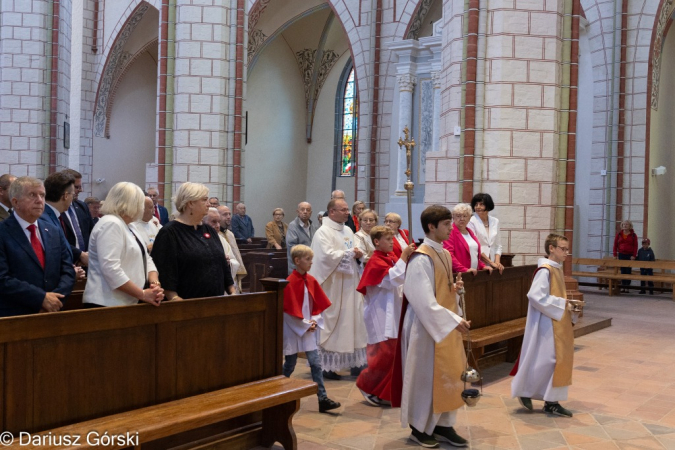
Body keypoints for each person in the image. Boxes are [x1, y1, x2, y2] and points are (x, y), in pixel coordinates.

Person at [391, 205, 470, 448]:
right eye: (446, 224)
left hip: (443, 327)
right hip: (425, 329)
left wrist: (454, 292)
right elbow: (421, 299)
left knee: (448, 375)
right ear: (431, 227)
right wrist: (454, 320)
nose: (451, 228)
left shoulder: (444, 254)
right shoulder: (421, 258)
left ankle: (444, 424)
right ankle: (420, 427)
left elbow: (441, 290)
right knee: (425, 378)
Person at [511, 233, 578, 418]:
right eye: (563, 249)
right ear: (551, 248)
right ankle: (529, 392)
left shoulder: (555, 269)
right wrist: (561, 304)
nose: (566, 252)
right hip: (546, 324)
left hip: (555, 321)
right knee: (547, 362)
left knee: (553, 363)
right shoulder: (545, 270)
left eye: (567, 249)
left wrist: (568, 305)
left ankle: (551, 402)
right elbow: (534, 296)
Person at [0, 177, 75, 317]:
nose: (40, 200)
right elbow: (2, 278)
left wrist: (55, 300)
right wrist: (40, 299)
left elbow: (67, 270)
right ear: (15, 202)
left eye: (42, 195)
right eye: (32, 195)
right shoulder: (3, 232)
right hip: (16, 314)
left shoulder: (53, 230)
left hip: (54, 311)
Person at [309, 198, 367, 379]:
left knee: (352, 322)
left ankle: (353, 363)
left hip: (350, 283)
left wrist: (358, 254)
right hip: (333, 285)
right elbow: (325, 257)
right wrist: (350, 254)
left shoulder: (348, 230)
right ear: (332, 212)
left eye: (347, 209)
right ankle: (327, 367)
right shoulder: (322, 232)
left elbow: (356, 250)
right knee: (333, 323)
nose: (347, 212)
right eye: (343, 209)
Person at [356, 226, 413, 407]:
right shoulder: (375, 261)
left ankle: (383, 391)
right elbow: (392, 279)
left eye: (392, 239)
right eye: (388, 240)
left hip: (392, 311)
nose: (392, 242)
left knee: (392, 354)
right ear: (376, 242)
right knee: (382, 354)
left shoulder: (389, 258)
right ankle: (366, 385)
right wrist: (404, 257)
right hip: (379, 314)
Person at [83, 182, 164, 308]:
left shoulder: (130, 226)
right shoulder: (111, 224)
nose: (142, 207)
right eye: (139, 202)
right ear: (130, 203)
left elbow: (146, 258)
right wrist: (142, 294)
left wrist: (154, 283)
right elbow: (111, 268)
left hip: (126, 300)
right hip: (107, 302)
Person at [282, 244, 341, 413]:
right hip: (294, 330)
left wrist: (314, 321)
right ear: (297, 261)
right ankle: (274, 391)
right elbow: (288, 312)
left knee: (316, 363)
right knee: (290, 365)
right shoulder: (289, 282)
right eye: (308, 259)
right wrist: (306, 325)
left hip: (307, 328)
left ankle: (322, 398)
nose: (311, 263)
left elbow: (316, 306)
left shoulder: (311, 280)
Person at [152, 182, 235, 300]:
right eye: (204, 200)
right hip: (186, 305)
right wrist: (175, 299)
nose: (208, 204)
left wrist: (232, 292)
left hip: (216, 302)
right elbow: (165, 274)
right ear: (190, 203)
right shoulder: (170, 232)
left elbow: (222, 264)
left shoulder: (209, 231)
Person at [41, 172, 85, 281]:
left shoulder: (52, 216)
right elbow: (50, 258)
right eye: (72, 194)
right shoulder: (44, 220)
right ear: (65, 196)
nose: (72, 199)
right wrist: (69, 273)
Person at [444, 203, 491, 275]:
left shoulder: (470, 231)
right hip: (459, 274)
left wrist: (482, 266)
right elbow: (449, 255)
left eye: (465, 216)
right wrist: (463, 270)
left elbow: (474, 254)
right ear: (453, 218)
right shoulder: (450, 232)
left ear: (469, 218)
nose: (462, 219)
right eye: (458, 216)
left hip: (474, 274)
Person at [60, 169, 95, 261]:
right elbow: (59, 240)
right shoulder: (57, 209)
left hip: (85, 262)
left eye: (80, 187)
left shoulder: (82, 206)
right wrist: (79, 255)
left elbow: (92, 232)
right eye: (77, 187)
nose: (81, 190)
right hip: (66, 260)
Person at [203, 207, 241, 290]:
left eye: (219, 222)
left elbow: (234, 260)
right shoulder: (198, 239)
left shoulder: (222, 240)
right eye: (213, 222)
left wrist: (228, 262)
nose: (218, 226)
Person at [467, 193, 504, 274]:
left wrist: (497, 262)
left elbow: (498, 245)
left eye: (481, 204)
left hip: (493, 262)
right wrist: (490, 262)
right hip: (478, 262)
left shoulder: (495, 221)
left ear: (488, 205)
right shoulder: (471, 221)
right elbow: (475, 245)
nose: (478, 207)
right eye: (476, 204)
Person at [217, 205, 247, 292]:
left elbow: (236, 254)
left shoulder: (230, 234)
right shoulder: (215, 234)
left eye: (229, 214)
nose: (229, 217)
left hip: (234, 272)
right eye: (225, 214)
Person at [286, 202, 317, 274]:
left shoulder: (313, 226)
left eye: (308, 210)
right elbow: (292, 248)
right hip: (297, 267)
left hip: (310, 266)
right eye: (302, 209)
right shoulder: (293, 226)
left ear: (311, 213)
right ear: (298, 212)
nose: (305, 212)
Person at [613, 220, 638, 293]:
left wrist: (634, 255)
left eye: (627, 224)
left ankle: (627, 287)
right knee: (623, 270)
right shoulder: (619, 234)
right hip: (621, 254)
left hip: (629, 255)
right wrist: (615, 254)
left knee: (628, 270)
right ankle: (623, 286)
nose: (625, 225)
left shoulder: (633, 235)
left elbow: (635, 246)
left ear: (630, 226)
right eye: (623, 224)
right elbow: (615, 245)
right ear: (622, 226)